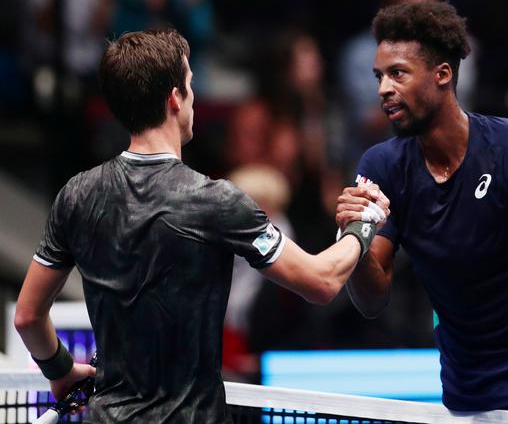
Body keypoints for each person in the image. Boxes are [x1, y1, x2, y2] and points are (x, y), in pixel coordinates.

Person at [13, 29, 388, 424]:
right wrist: (364, 225)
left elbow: (28, 316)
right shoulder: (215, 200)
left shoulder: (77, 195)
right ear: (176, 99)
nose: (192, 99)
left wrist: (60, 369)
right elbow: (322, 281)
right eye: (190, 86)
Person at [336, 1, 508, 422]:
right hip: (466, 400)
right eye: (379, 76)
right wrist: (354, 240)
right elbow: (372, 300)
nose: (382, 89)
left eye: (398, 73)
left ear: (443, 74)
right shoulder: (380, 167)